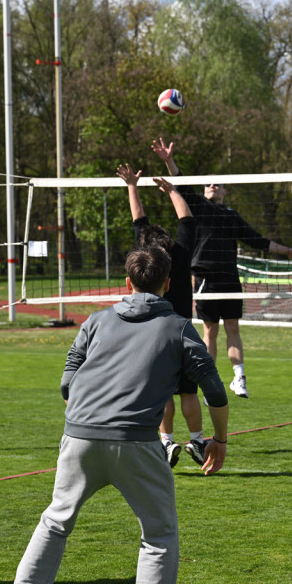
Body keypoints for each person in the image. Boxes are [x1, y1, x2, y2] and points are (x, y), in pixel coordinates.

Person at [0, 248, 229, 584]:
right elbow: (215, 391)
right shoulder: (180, 326)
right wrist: (219, 440)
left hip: (79, 437)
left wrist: (87, 417)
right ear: (168, 285)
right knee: (159, 536)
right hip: (136, 443)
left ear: (127, 283)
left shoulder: (96, 320)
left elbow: (67, 382)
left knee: (55, 522)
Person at [152, 138, 292, 399]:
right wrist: (168, 160)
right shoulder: (198, 206)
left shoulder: (231, 215)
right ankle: (208, 382)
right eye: (209, 184)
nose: (213, 186)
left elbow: (258, 240)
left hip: (230, 278)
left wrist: (289, 251)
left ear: (225, 191)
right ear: (204, 191)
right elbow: (181, 183)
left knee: (233, 329)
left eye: (218, 184)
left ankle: (239, 378)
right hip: (205, 278)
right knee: (209, 332)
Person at [117, 164, 208, 468]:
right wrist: (172, 190)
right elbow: (187, 221)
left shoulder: (144, 264)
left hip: (153, 336)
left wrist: (132, 185)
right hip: (181, 332)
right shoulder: (178, 257)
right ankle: (197, 440)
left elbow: (138, 221)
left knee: (165, 392)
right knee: (189, 392)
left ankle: (166, 442)